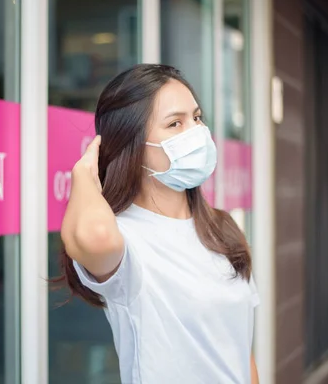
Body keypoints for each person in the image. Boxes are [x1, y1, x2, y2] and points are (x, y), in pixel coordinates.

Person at [59, 64, 260, 384]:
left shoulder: (221, 228)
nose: (195, 132)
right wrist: (85, 174)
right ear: (132, 143)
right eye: (174, 123)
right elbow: (93, 237)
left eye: (196, 118)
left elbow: (239, 348)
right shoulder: (126, 238)